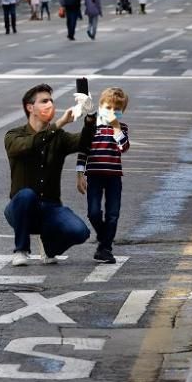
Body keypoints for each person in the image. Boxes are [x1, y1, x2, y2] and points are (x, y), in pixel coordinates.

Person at [5, 84, 94, 266]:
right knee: (26, 194)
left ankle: (49, 247)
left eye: (51, 101)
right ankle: (21, 250)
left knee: (80, 232)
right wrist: (59, 123)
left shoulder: (59, 137)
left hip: (50, 207)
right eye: (44, 101)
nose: (50, 104)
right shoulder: (14, 135)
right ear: (31, 108)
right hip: (21, 209)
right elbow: (29, 145)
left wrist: (90, 115)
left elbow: (86, 142)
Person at [76, 87, 130, 264]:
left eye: (117, 110)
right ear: (100, 107)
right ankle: (103, 238)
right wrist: (79, 174)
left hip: (114, 177)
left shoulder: (121, 128)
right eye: (108, 108)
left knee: (113, 214)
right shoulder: (93, 126)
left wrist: (116, 127)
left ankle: (105, 248)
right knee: (93, 212)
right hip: (94, 175)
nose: (112, 113)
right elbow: (83, 150)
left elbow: (124, 147)